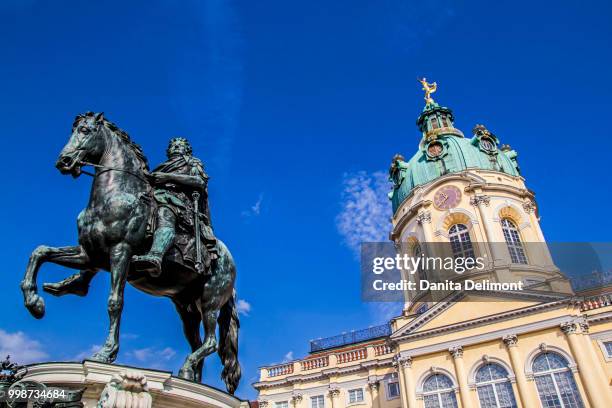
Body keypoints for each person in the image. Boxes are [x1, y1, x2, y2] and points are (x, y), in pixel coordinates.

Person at [132, 137, 217, 277]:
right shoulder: (161, 166)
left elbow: (199, 181)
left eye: (180, 145)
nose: (176, 148)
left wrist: (168, 177)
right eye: (173, 146)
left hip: (180, 202)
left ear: (187, 150)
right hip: (156, 197)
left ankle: (155, 256)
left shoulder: (192, 162)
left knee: (165, 211)